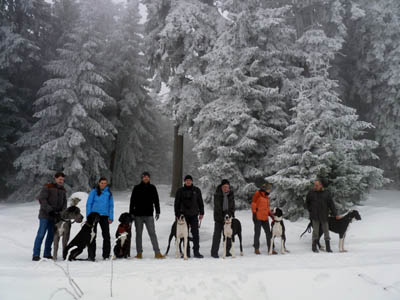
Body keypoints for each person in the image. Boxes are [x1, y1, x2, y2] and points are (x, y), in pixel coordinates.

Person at [33, 172, 67, 261]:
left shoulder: (63, 190)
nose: (61, 181)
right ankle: (36, 254)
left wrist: (61, 213)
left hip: (55, 217)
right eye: (60, 179)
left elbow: (64, 203)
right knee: (41, 234)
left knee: (51, 235)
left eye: (62, 180)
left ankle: (47, 254)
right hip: (45, 215)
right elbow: (42, 199)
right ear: (55, 178)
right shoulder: (48, 187)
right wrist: (50, 210)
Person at [129, 171, 164, 259]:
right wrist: (131, 214)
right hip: (138, 215)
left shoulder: (152, 188)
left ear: (149, 178)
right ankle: (139, 253)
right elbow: (132, 201)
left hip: (149, 215)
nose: (146, 178)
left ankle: (157, 253)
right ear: (142, 178)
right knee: (139, 234)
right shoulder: (136, 188)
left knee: (152, 233)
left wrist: (158, 211)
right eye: (144, 177)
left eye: (147, 177)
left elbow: (156, 200)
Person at [174, 175, 205, 258]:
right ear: (184, 181)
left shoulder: (196, 190)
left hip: (194, 215)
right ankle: (186, 252)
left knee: (195, 234)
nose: (188, 182)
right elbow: (176, 203)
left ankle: (196, 252)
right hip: (183, 216)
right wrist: (177, 214)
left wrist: (201, 213)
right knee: (185, 235)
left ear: (192, 181)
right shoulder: (180, 191)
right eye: (187, 180)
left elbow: (200, 202)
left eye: (190, 180)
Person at [306, 179, 339, 253]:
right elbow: (307, 203)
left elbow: (331, 204)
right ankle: (314, 246)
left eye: (317, 185)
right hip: (314, 216)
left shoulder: (326, 193)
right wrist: (311, 210)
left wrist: (335, 214)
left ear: (321, 185)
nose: (315, 186)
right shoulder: (311, 193)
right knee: (315, 232)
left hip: (324, 215)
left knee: (326, 231)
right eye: (314, 185)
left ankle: (328, 247)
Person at [86, 177, 114, 260]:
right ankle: (91, 255)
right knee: (92, 236)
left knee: (106, 236)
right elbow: (89, 204)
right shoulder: (93, 192)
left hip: (105, 216)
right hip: (94, 216)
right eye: (102, 183)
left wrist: (111, 217)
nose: (103, 185)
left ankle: (106, 255)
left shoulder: (108, 193)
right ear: (99, 183)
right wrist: (88, 216)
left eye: (105, 183)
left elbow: (111, 206)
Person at [210, 179, 235, 258]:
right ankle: (214, 252)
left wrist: (231, 215)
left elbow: (232, 206)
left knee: (228, 235)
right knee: (217, 235)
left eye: (227, 187)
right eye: (224, 187)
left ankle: (227, 251)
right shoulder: (217, 194)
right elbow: (217, 207)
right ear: (221, 187)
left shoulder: (231, 194)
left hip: (228, 218)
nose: (226, 188)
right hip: (219, 218)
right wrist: (222, 218)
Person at [251, 183, 274, 255]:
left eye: (270, 189)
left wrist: (271, 215)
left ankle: (270, 248)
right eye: (268, 189)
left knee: (268, 233)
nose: (270, 190)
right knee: (257, 233)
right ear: (265, 189)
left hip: (265, 217)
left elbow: (267, 208)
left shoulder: (266, 197)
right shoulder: (257, 194)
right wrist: (254, 214)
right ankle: (256, 248)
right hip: (257, 217)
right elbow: (253, 204)